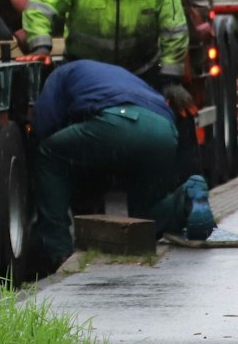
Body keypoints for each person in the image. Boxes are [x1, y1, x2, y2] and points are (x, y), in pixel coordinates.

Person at [24, 58, 214, 274]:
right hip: (163, 130)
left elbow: (43, 125)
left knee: (49, 153)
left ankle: (55, 248)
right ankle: (187, 197)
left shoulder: (58, 76)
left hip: (119, 122)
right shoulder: (120, 73)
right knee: (146, 217)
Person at [21, 0, 191, 105]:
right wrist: (40, 47)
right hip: (84, 72)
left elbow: (174, 29)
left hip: (140, 73)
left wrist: (171, 81)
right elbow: (40, 6)